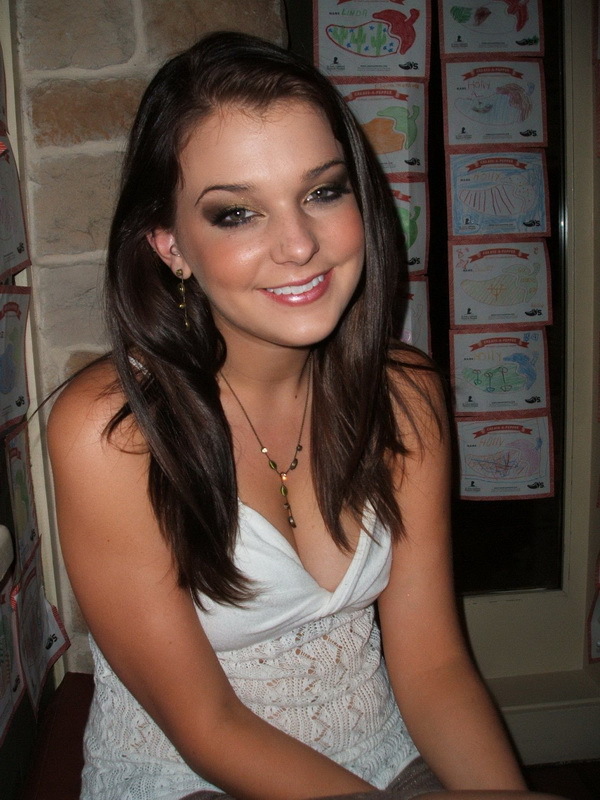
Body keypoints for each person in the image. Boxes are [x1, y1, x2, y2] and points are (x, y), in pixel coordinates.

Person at [47, 32, 562, 800]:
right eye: (236, 213)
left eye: (322, 192)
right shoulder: (113, 432)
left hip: (382, 759)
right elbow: (209, 726)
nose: (298, 245)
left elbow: (434, 665)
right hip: (191, 780)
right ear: (170, 245)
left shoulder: (406, 394)